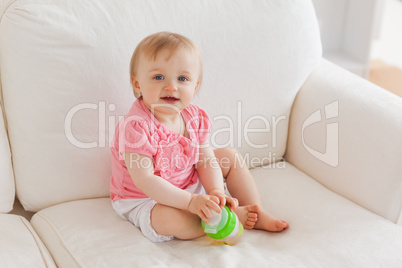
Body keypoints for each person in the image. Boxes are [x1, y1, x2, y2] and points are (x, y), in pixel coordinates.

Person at [110, 31, 289, 243]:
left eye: (182, 78)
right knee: (172, 220)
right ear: (138, 84)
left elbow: (205, 159)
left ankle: (254, 210)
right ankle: (225, 219)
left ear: (194, 86)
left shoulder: (194, 117)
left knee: (228, 156)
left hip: (188, 182)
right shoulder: (136, 126)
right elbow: (146, 180)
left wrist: (215, 190)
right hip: (147, 198)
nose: (171, 86)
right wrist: (190, 202)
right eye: (159, 77)